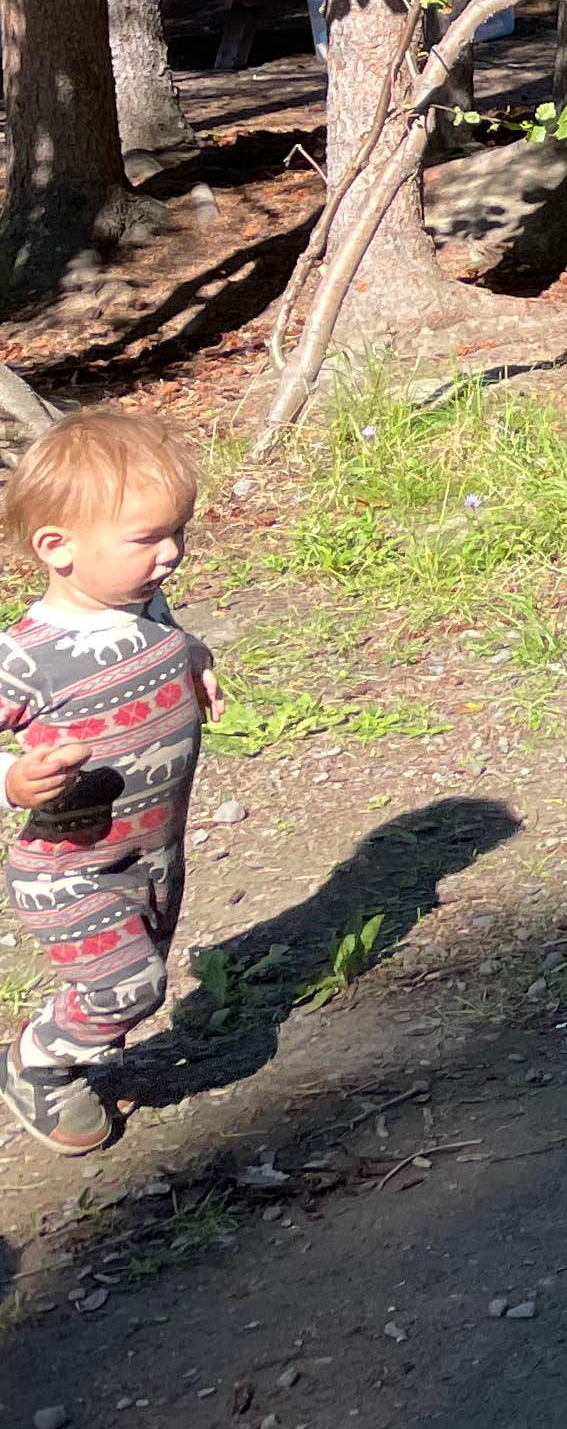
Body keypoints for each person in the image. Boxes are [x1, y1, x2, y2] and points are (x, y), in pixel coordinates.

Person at [2, 413, 217, 1158]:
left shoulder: (144, 608)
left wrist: (195, 655)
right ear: (57, 549)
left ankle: (82, 1050)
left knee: (140, 970)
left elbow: (165, 636)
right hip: (69, 868)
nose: (171, 555)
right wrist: (16, 780)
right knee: (130, 987)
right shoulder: (27, 659)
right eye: (147, 540)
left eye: (178, 533)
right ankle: (36, 1061)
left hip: (153, 849)